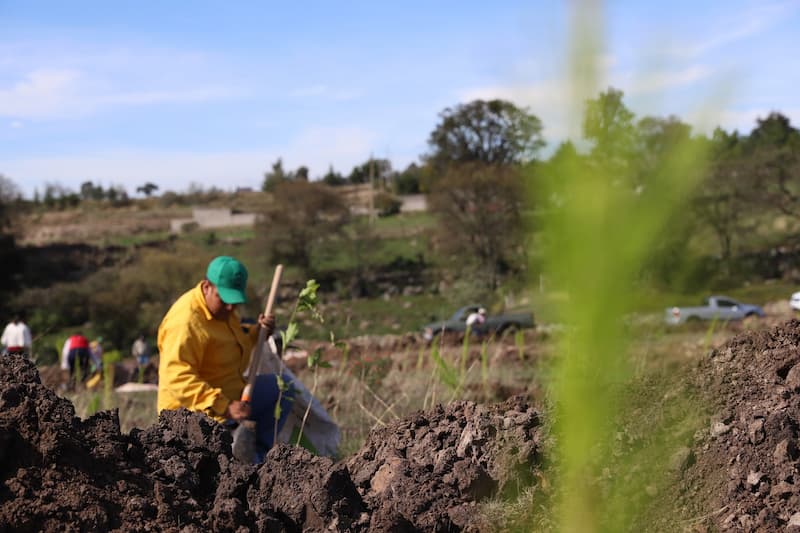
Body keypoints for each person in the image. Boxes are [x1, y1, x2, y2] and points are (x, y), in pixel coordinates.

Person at [157, 256, 289, 462]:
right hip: (194, 412)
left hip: (231, 394)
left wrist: (258, 332)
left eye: (234, 302)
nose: (230, 308)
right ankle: (234, 460)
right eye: (224, 299)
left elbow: (234, 340)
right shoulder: (185, 323)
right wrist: (224, 406)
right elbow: (177, 378)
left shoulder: (223, 311)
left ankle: (259, 460)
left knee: (281, 388)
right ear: (207, 286)